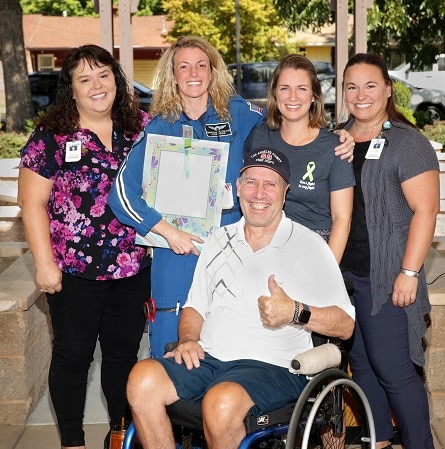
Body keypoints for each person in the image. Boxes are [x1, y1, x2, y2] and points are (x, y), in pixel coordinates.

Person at [108, 36, 354, 358]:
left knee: (233, 341)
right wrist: (168, 232)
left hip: (235, 251)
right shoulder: (159, 127)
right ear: (172, 74)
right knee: (173, 346)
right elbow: (121, 193)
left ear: (213, 72)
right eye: (184, 66)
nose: (193, 73)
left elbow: (290, 124)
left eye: (201, 65)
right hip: (178, 253)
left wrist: (337, 134)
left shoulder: (240, 115)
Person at [125, 147, 355, 449]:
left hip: (272, 366)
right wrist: (189, 339)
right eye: (251, 182)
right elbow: (195, 307)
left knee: (220, 402)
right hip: (210, 360)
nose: (259, 193)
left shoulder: (309, 246)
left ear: (285, 192)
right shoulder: (218, 239)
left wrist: (295, 312)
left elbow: (345, 325)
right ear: (236, 188)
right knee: (142, 379)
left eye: (270, 184)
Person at [17, 45, 151, 449]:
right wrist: (44, 265)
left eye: (104, 75)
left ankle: (118, 431)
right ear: (71, 89)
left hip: (133, 269)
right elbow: (32, 203)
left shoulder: (141, 127)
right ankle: (73, 441)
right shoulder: (52, 135)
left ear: (117, 79)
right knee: (73, 359)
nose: (97, 86)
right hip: (74, 271)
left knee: (123, 357)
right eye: (85, 79)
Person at [339, 53, 439, 449]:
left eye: (370, 85)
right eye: (351, 86)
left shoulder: (407, 142)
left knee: (395, 371)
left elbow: (426, 209)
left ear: (387, 90)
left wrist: (409, 272)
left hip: (387, 279)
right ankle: (377, 442)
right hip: (346, 280)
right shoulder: (338, 138)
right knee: (362, 366)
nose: (360, 95)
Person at [244, 54, 355, 263]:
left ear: (314, 95)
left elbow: (342, 219)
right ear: (275, 94)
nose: (292, 97)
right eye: (285, 88)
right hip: (262, 246)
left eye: (302, 88)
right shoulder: (258, 137)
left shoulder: (336, 147)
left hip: (313, 250)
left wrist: (327, 271)